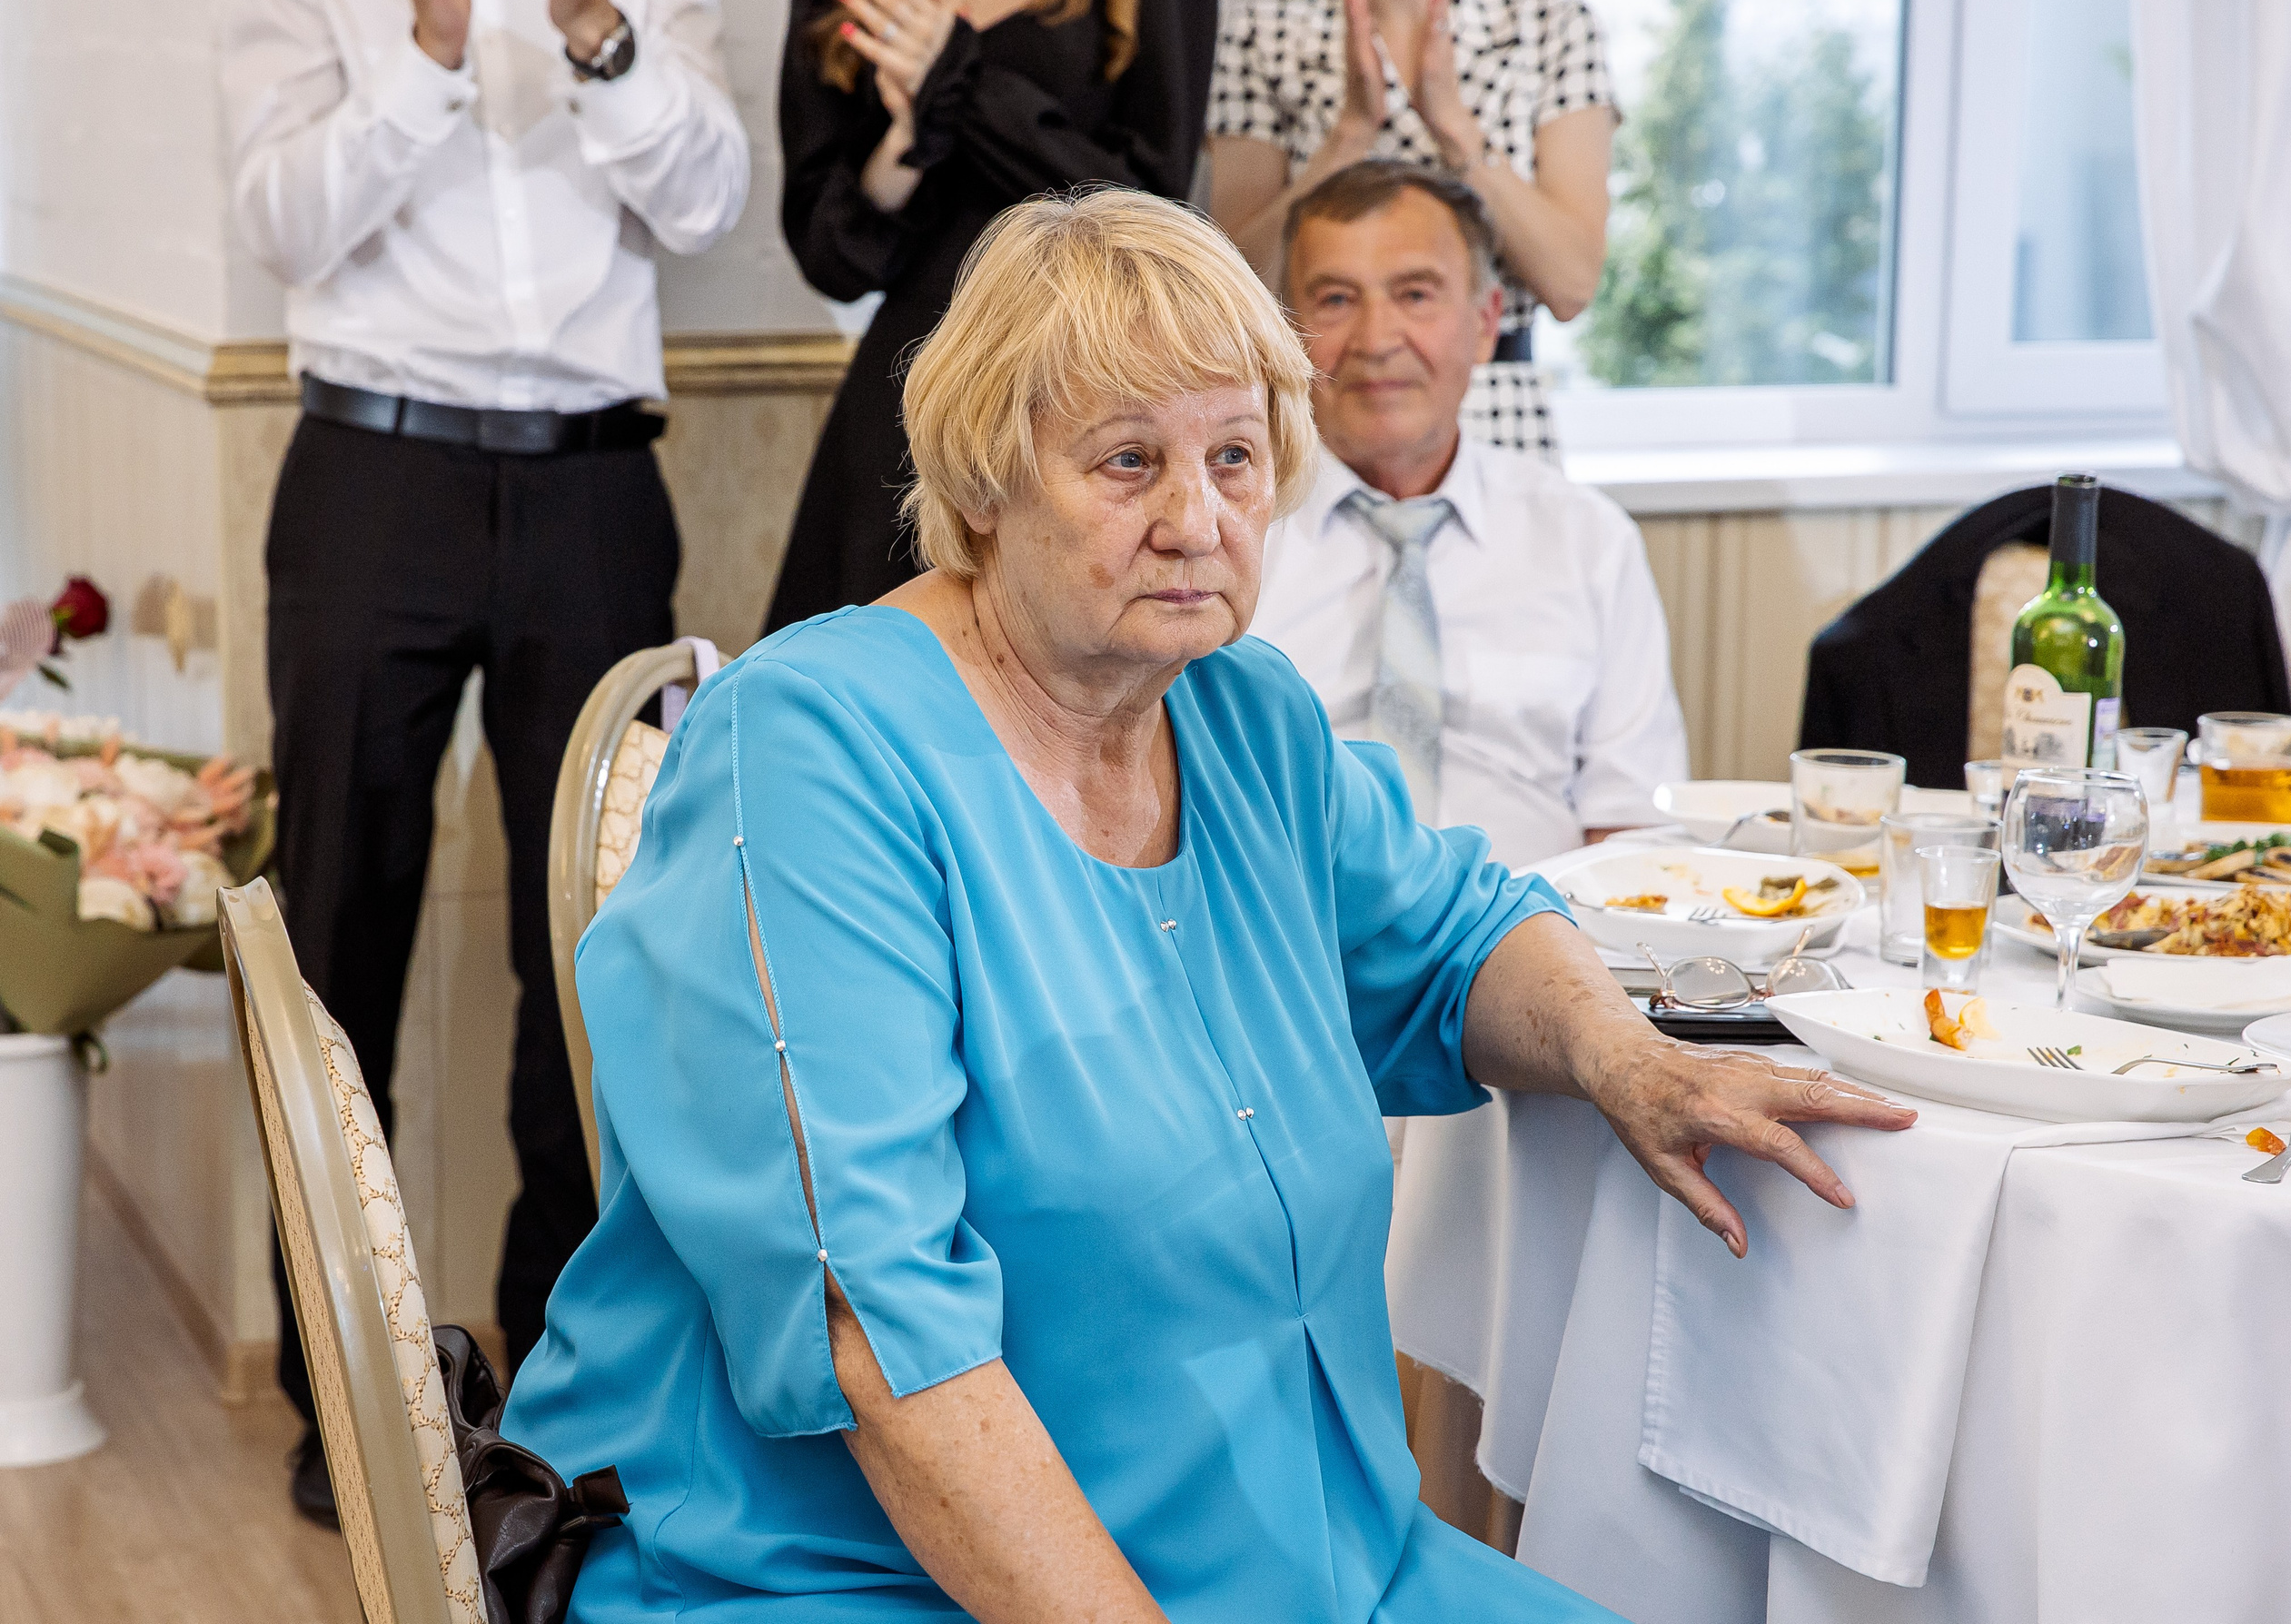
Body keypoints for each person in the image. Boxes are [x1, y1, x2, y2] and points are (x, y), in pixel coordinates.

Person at [500, 188, 1912, 1622]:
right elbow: (872, 1320)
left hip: (1311, 1551)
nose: (1198, 518)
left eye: (1236, 456)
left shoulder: (1245, 717)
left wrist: (1629, 1059)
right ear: (985, 484)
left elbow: (1456, 934)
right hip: (852, 1573)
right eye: (1128, 463)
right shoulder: (807, 753)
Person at [222, 0, 749, 1524]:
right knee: (339, 928)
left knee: (599, 945)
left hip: (595, 481)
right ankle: (352, 1394)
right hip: (371, 469)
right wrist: (434, 58)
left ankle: (564, 1374)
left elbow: (712, 201)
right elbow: (279, 221)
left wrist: (598, 37)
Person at [759, 0, 1223, 635]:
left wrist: (959, 78)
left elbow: (1151, 208)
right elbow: (833, 257)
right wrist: (910, 139)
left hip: (1091, 377)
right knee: (867, 682)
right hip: (913, 378)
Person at [1253, 161, 1687, 870]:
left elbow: (1632, 831)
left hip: (1538, 938)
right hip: (1290, 944)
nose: (1376, 339)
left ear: (1485, 325)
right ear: (1287, 334)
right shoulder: (1227, 535)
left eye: (1415, 295)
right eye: (1335, 300)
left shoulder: (1588, 541)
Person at [1208, 0, 1615, 453]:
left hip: (1497, 415)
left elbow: (1571, 286)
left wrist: (1456, 132)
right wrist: (1349, 136)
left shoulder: (1553, 26)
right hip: (1323, 405)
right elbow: (1231, 294)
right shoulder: (1264, 36)